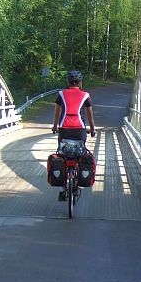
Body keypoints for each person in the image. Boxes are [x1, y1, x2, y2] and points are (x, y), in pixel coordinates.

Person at [51, 70, 96, 201]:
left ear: (68, 82)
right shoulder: (85, 95)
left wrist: (55, 127)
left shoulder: (61, 94)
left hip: (64, 129)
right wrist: (92, 130)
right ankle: (79, 182)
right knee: (80, 154)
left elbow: (57, 114)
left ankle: (62, 189)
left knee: (62, 155)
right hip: (80, 130)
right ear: (80, 83)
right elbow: (90, 115)